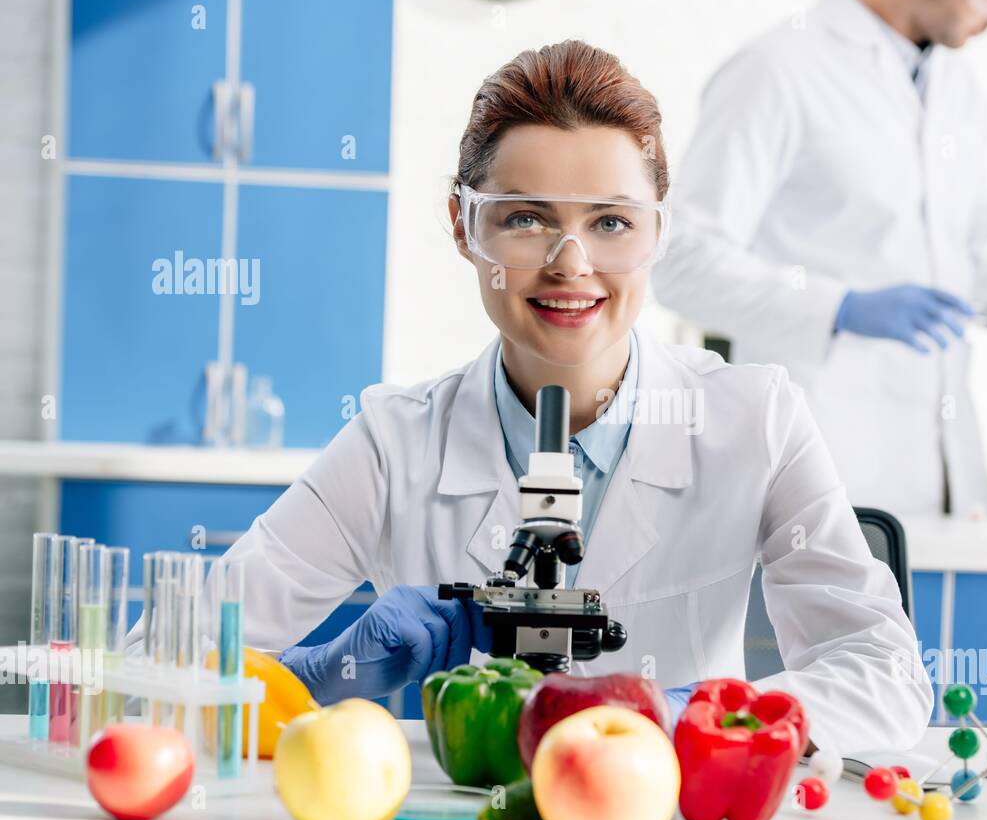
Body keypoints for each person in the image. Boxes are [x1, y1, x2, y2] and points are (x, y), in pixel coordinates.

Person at [144, 41, 932, 755]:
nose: (570, 263)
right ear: (463, 225)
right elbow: (152, 675)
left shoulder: (754, 418)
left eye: (612, 222)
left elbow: (884, 677)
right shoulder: (392, 443)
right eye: (525, 219)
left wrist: (690, 714)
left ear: (658, 234)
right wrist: (323, 674)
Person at [652, 0, 987, 518]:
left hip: (946, 479)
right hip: (827, 459)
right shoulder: (777, 70)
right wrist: (840, 309)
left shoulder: (960, 89)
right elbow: (681, 261)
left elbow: (960, 269)